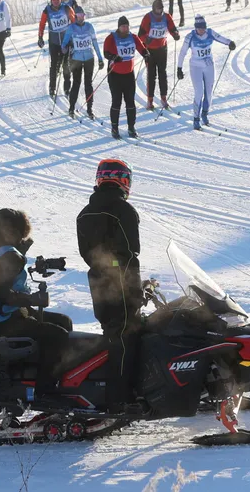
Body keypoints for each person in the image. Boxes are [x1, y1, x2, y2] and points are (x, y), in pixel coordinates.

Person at [75, 160, 144, 413]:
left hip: (97, 279)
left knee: (112, 334)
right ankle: (122, 398)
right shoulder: (123, 210)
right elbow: (129, 250)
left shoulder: (85, 213)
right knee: (125, 337)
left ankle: (115, 388)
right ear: (124, 181)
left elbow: (87, 253)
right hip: (121, 281)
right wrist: (132, 284)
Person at [0, 208, 73, 391]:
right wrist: (32, 299)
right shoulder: (10, 256)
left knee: (63, 321)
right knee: (59, 336)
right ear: (13, 231)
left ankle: (34, 371)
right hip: (7, 321)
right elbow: (1, 293)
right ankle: (45, 390)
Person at [175, 15, 235, 130]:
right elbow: (182, 52)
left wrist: (230, 43)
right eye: (200, 28)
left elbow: (222, 39)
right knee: (199, 92)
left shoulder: (210, 33)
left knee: (209, 92)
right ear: (196, 28)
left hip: (208, 66)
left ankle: (205, 114)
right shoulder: (190, 37)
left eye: (204, 27)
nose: (202, 30)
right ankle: (196, 119)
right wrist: (179, 68)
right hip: (195, 67)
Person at [102, 17, 152, 139]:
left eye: (127, 26)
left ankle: (131, 127)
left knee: (130, 102)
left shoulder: (133, 37)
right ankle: (114, 128)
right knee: (116, 102)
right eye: (123, 26)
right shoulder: (111, 38)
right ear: (119, 27)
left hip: (129, 74)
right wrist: (114, 57)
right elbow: (106, 53)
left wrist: (146, 54)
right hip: (115, 75)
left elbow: (141, 48)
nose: (125, 28)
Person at [137, 0, 181, 111]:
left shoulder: (166, 17)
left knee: (163, 73)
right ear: (153, 8)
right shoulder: (147, 18)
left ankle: (164, 98)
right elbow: (140, 34)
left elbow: (172, 28)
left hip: (162, 49)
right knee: (151, 75)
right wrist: (146, 39)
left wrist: (176, 34)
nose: (159, 11)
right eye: (157, 9)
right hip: (150, 50)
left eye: (161, 9)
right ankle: (150, 101)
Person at [61, 11, 104, 119]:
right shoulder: (71, 28)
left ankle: (90, 109)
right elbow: (64, 44)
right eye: (78, 16)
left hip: (89, 58)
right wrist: (66, 47)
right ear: (75, 17)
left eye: (82, 15)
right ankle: (71, 108)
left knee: (88, 84)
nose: (81, 18)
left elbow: (94, 42)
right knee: (76, 83)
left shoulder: (89, 27)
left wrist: (100, 58)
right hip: (76, 59)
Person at [37, 0, 76, 99]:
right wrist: (40, 37)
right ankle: (52, 88)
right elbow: (42, 24)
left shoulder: (67, 8)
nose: (56, 1)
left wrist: (75, 37)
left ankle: (67, 88)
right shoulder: (47, 10)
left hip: (66, 41)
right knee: (54, 65)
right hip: (54, 42)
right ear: (51, 0)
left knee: (66, 65)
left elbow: (74, 22)